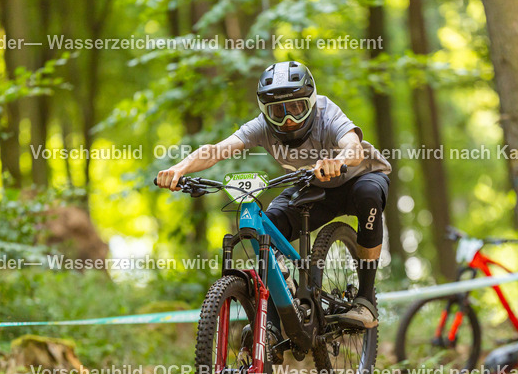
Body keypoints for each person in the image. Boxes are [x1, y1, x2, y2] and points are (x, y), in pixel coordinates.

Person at [156, 60, 392, 328]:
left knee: (369, 193)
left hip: (359, 178)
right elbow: (216, 150)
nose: (288, 119)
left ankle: (365, 301)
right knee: (265, 228)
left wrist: (337, 161)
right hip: (314, 185)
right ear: (265, 112)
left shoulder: (327, 113)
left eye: (295, 107)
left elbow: (354, 147)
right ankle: (285, 305)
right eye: (277, 111)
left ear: (311, 102)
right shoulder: (262, 127)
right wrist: (179, 169)